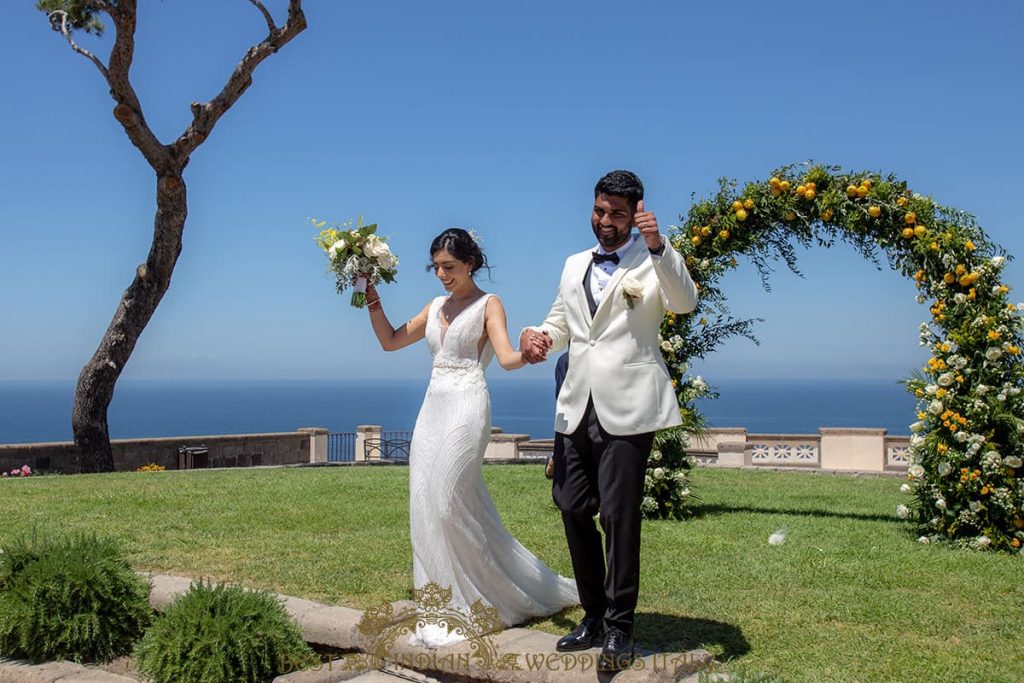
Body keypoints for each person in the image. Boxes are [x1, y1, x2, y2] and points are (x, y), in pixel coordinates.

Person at [363, 228, 578, 649]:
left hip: (467, 405)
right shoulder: (435, 305)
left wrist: (532, 352)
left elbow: (507, 358)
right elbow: (390, 341)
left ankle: (489, 598)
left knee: (446, 500)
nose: (442, 275)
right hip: (432, 409)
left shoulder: (488, 304)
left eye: (450, 267)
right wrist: (371, 298)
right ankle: (445, 602)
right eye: (437, 268)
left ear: (471, 264)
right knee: (425, 502)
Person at [520, 170, 698, 672]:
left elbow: (686, 303)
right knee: (571, 504)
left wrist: (658, 245)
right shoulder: (574, 263)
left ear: (636, 212)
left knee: (619, 516)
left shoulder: (654, 261)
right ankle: (593, 614)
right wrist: (539, 338)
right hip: (576, 404)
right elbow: (561, 323)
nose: (605, 222)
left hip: (629, 406)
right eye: (600, 211)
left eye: (617, 214)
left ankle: (620, 627)